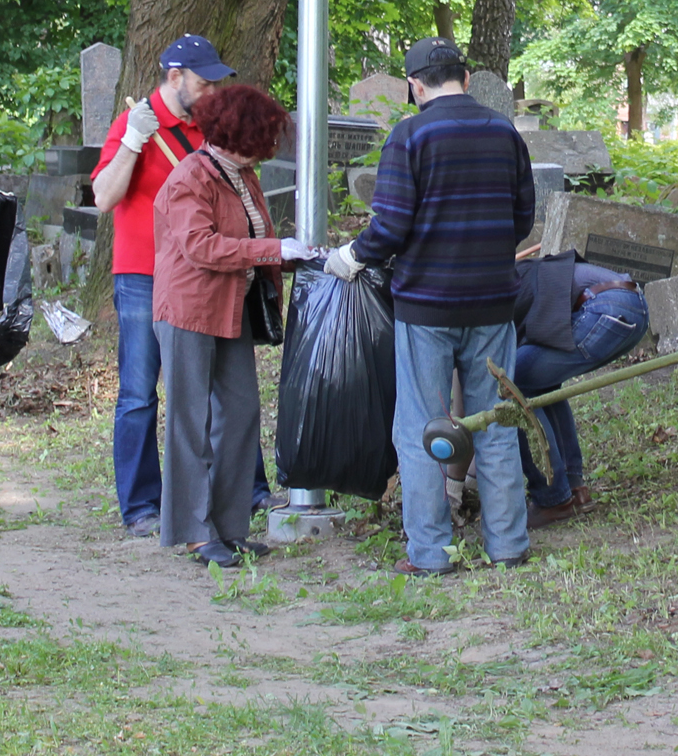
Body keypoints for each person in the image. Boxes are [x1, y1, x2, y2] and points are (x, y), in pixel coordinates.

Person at [324, 38, 535, 575]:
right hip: (493, 303)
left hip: (426, 306)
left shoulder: (410, 136)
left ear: (415, 86)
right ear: (465, 78)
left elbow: (391, 225)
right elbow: (523, 217)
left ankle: (431, 552)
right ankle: (508, 544)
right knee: (497, 422)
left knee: (422, 427)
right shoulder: (504, 132)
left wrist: (352, 255)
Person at [149, 82, 317, 567]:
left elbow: (253, 238)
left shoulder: (242, 176)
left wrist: (295, 256)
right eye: (263, 137)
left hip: (231, 307)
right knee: (190, 422)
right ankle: (194, 532)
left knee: (241, 412)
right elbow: (201, 246)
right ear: (240, 134)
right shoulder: (190, 178)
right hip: (188, 311)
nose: (268, 147)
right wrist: (272, 249)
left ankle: (228, 526)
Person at [89, 34, 241, 537]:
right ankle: (140, 506)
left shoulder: (208, 127)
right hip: (142, 275)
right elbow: (104, 197)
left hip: (198, 277)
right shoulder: (133, 124)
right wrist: (133, 141)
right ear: (175, 78)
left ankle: (241, 490)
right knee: (138, 392)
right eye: (204, 83)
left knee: (219, 388)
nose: (212, 92)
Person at [509, 249, 648, 527]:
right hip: (635, 304)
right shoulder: (520, 274)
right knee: (540, 383)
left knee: (509, 386)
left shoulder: (499, 286)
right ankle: (574, 490)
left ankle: (552, 498)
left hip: (602, 306)